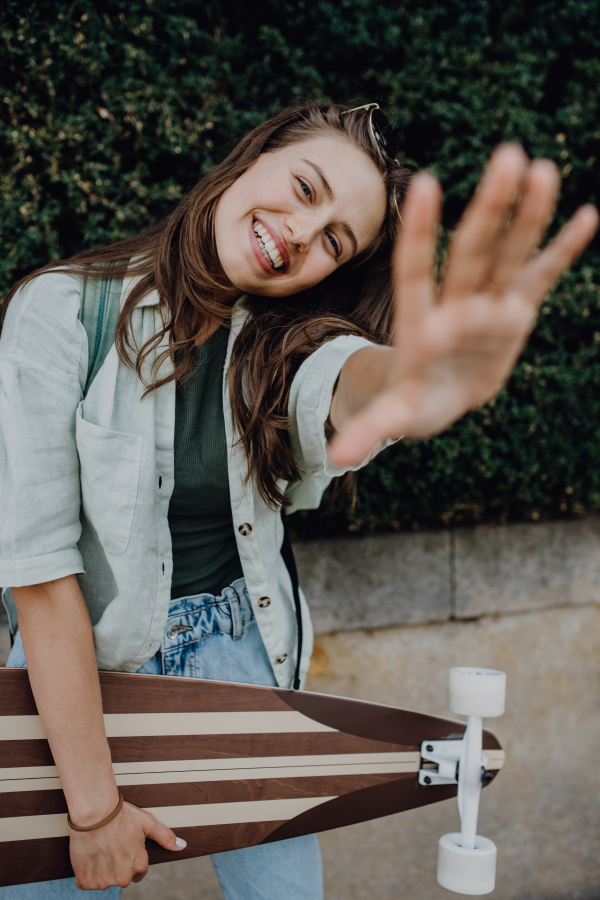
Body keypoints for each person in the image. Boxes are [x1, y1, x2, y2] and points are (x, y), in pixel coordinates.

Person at [0, 103, 596, 900]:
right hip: (72, 670)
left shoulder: (287, 345)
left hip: (240, 658)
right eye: (305, 188)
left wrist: (415, 381)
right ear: (251, 159)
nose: (302, 235)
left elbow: (348, 382)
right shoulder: (63, 310)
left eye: (334, 243)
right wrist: (92, 809)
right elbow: (40, 574)